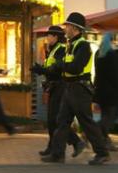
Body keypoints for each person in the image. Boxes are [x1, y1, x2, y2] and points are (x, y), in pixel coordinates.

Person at [41, 12, 110, 165]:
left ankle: (102, 152)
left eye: (68, 26)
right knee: (62, 120)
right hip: (70, 87)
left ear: (75, 28)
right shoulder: (71, 45)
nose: (65, 28)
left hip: (79, 88)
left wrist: (60, 65)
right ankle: (57, 154)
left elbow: (76, 67)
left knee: (86, 121)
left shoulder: (83, 46)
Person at [31, 25, 85, 157]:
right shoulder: (53, 49)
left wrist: (43, 70)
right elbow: (51, 67)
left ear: (55, 37)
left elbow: (58, 68)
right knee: (53, 120)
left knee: (55, 119)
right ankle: (53, 147)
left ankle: (75, 142)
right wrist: (41, 69)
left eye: (49, 35)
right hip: (54, 86)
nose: (47, 38)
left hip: (60, 87)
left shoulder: (60, 49)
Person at [93, 33, 118, 152]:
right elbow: (114, 75)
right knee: (109, 117)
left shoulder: (98, 53)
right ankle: (92, 132)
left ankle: (106, 141)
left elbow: (98, 73)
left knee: (105, 115)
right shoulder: (111, 54)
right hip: (110, 91)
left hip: (100, 89)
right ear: (112, 41)